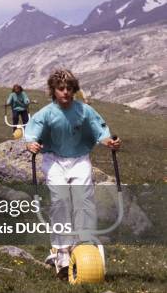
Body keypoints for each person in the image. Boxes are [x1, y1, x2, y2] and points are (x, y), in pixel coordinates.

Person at [25, 69, 121, 278]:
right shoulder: (46, 113)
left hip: (79, 159)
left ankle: (84, 242)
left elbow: (100, 130)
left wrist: (108, 142)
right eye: (61, 89)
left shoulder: (84, 110)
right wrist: (30, 143)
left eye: (69, 88)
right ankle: (61, 250)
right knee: (60, 200)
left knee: (83, 198)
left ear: (74, 89)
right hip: (54, 159)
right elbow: (32, 132)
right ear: (53, 90)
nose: (66, 92)